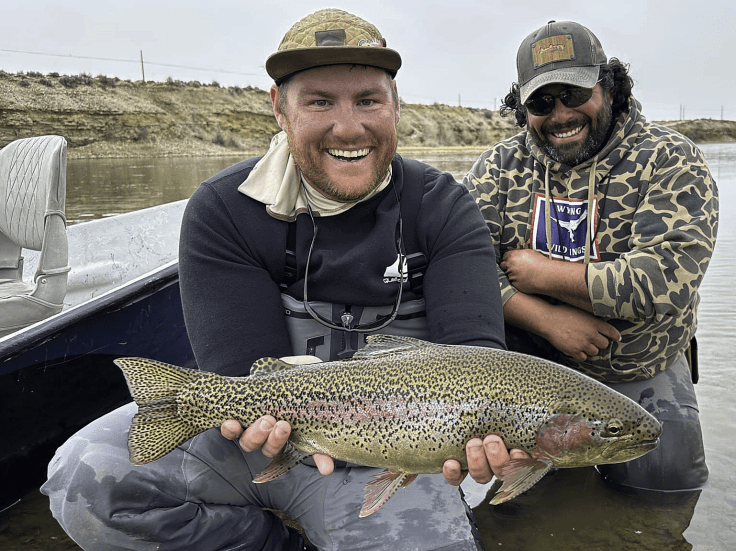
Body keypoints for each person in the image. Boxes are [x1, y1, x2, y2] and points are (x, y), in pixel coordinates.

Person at [42, 9, 517, 551]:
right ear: (280, 108)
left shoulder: (444, 206)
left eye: (368, 100)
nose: (348, 126)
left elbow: (479, 359)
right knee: (89, 478)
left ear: (396, 107)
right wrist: (274, 420)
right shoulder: (224, 209)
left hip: (397, 449)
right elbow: (240, 371)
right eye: (319, 102)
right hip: (261, 434)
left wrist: (485, 441)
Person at [464, 20, 718, 495]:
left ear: (610, 87)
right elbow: (461, 271)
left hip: (640, 368)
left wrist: (542, 274)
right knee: (523, 508)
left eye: (575, 94)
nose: (560, 114)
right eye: (541, 102)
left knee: (667, 494)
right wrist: (543, 319)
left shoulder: (670, 159)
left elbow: (666, 277)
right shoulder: (498, 168)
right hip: (527, 379)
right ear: (522, 109)